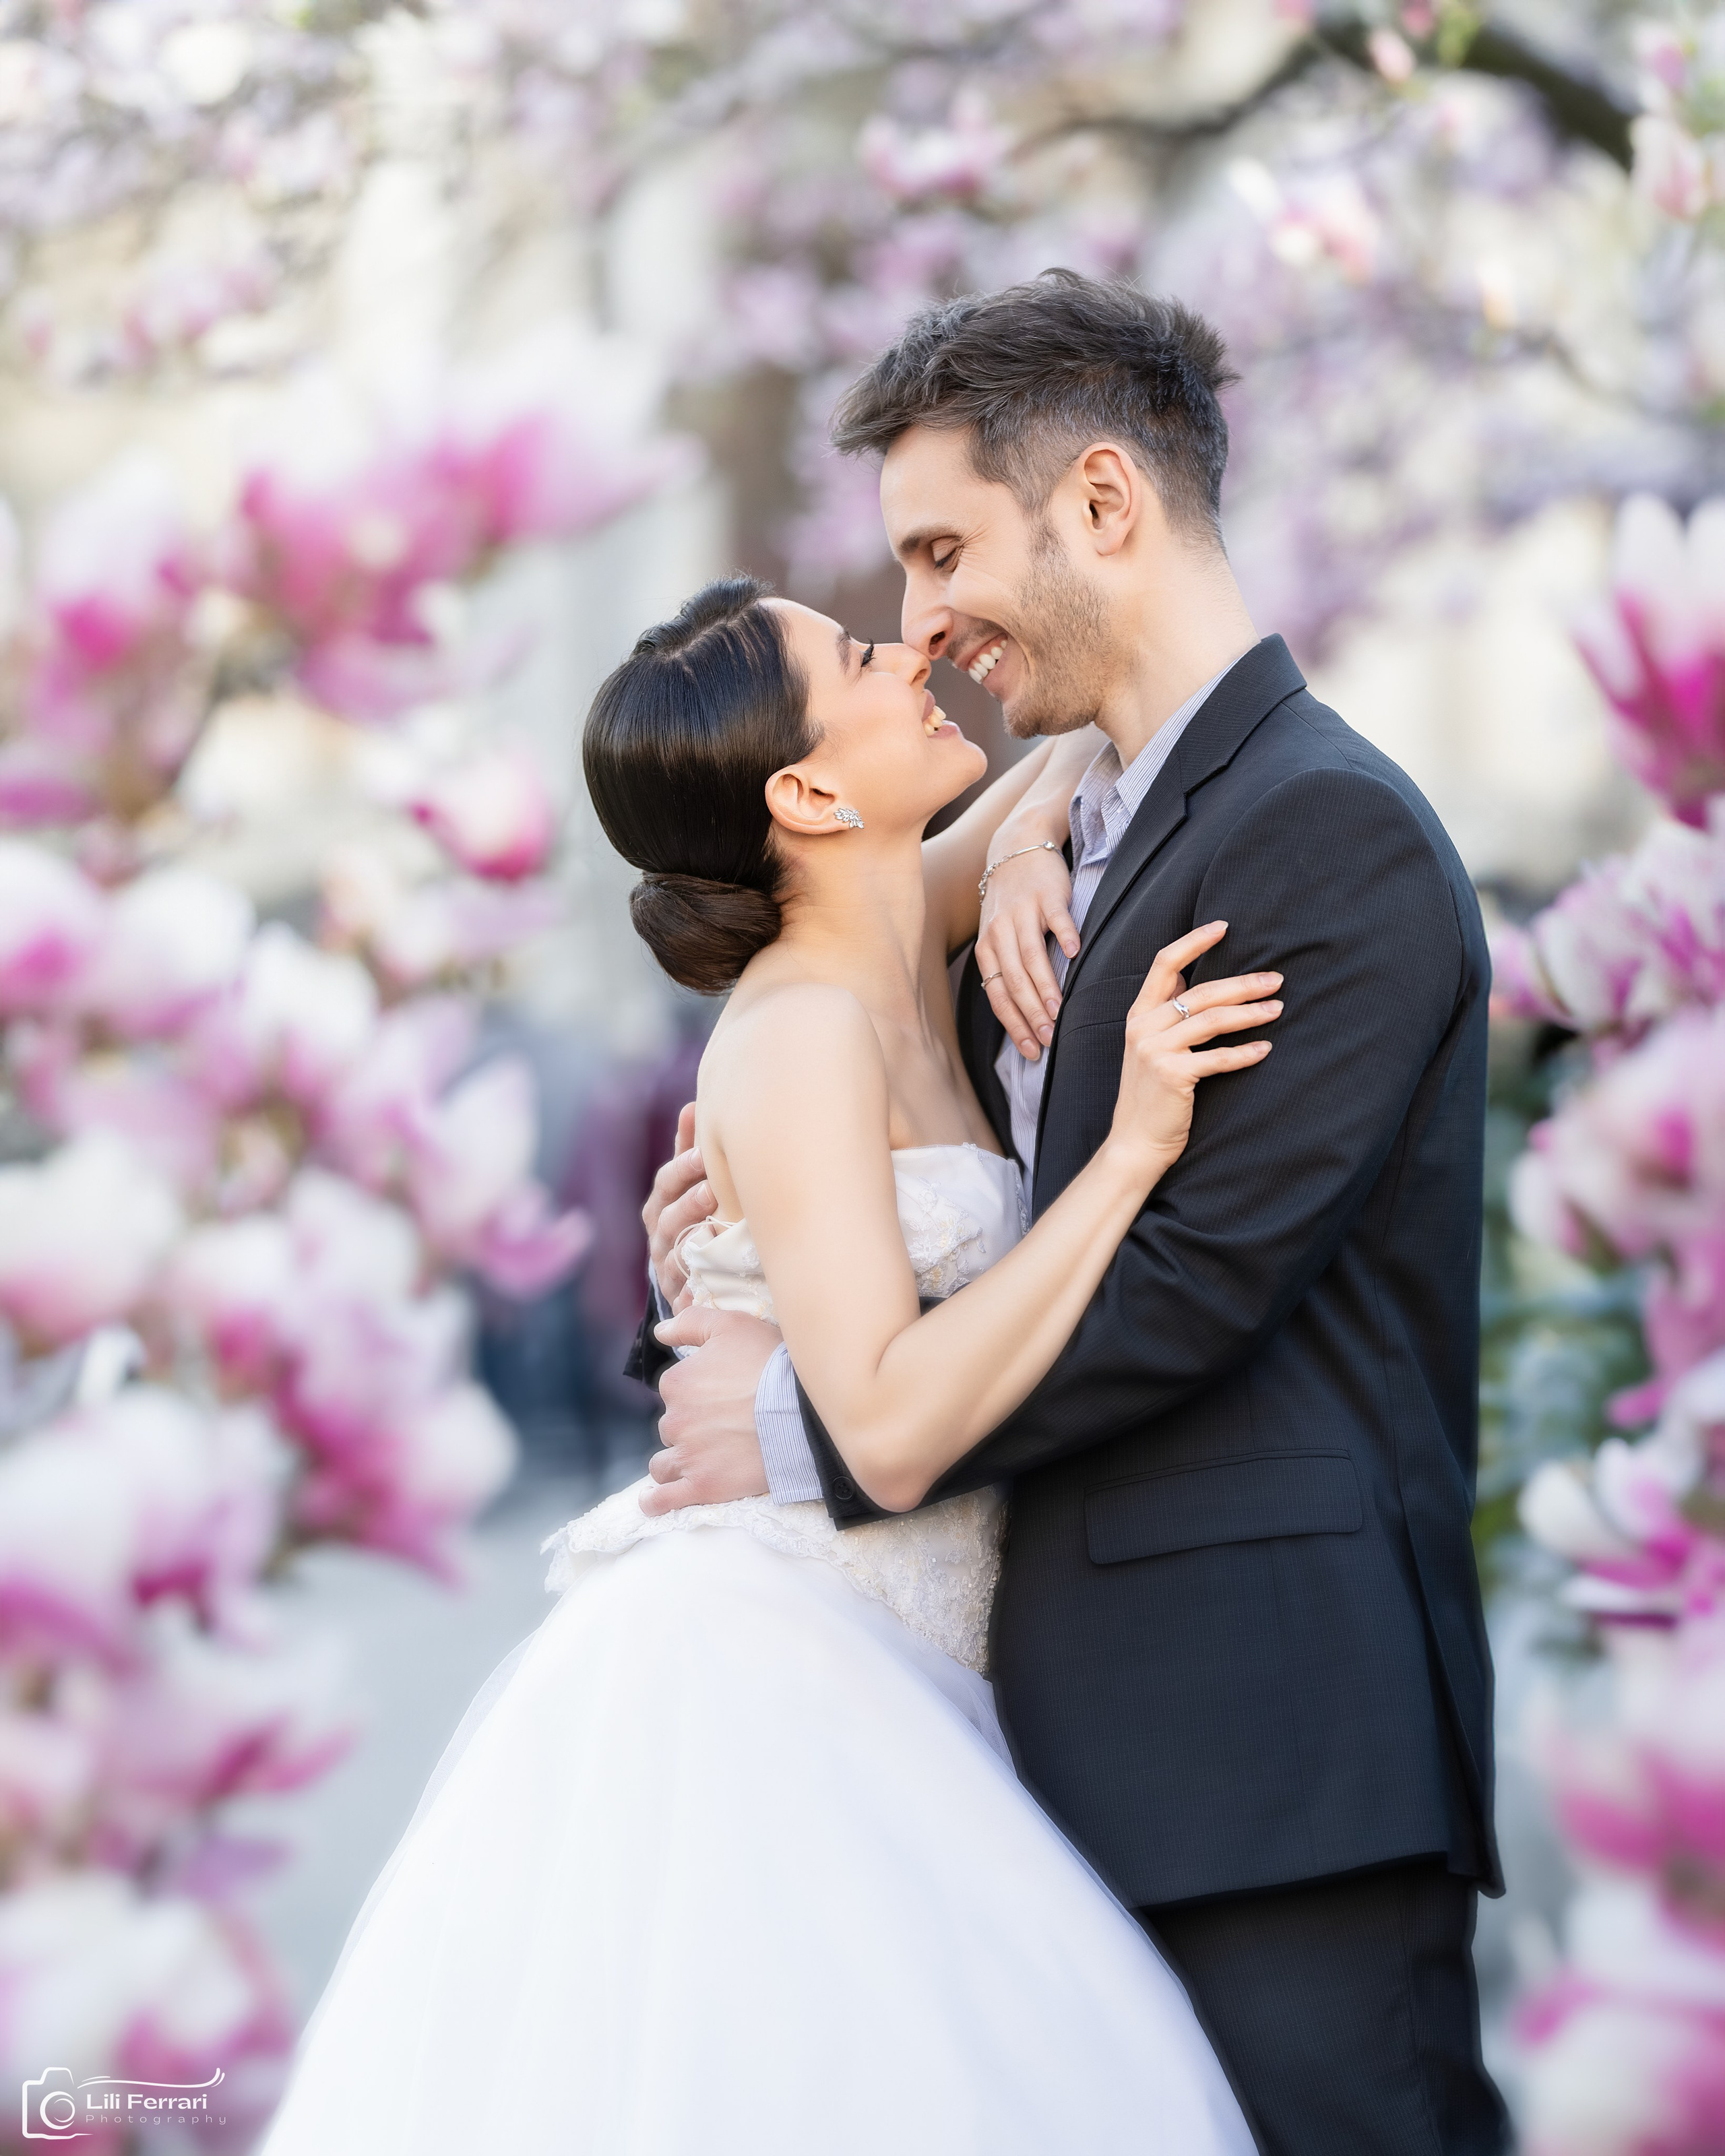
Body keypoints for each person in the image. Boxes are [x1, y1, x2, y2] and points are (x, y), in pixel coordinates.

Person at [635, 272, 1509, 2156]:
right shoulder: (1063, 829)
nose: (921, 620)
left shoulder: (1327, 831)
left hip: (1272, 1753)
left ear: (1104, 505)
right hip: (1034, 1746)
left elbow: (1193, 1285)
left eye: (943, 549)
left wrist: (803, 1426)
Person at [257, 564, 1276, 2156]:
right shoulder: (796, 1029)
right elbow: (878, 1423)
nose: (915, 649)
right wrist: (1132, 1155)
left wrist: (1009, 852)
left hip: (935, 1656)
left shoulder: (897, 921)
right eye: (869, 653)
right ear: (803, 788)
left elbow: (1115, 725)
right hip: (784, 1666)